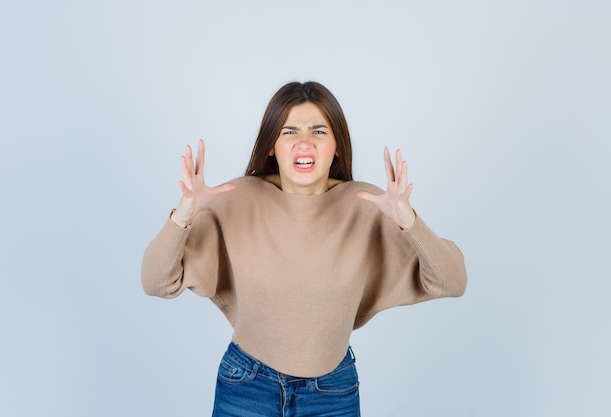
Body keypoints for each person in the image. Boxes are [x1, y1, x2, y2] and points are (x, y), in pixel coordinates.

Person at [141, 81, 467, 417]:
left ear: (337, 146)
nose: (304, 143)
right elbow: (155, 282)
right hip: (246, 385)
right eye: (289, 131)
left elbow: (453, 282)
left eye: (319, 131)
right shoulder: (235, 199)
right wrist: (182, 216)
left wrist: (409, 221)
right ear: (272, 146)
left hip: (331, 394)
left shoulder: (368, 205)